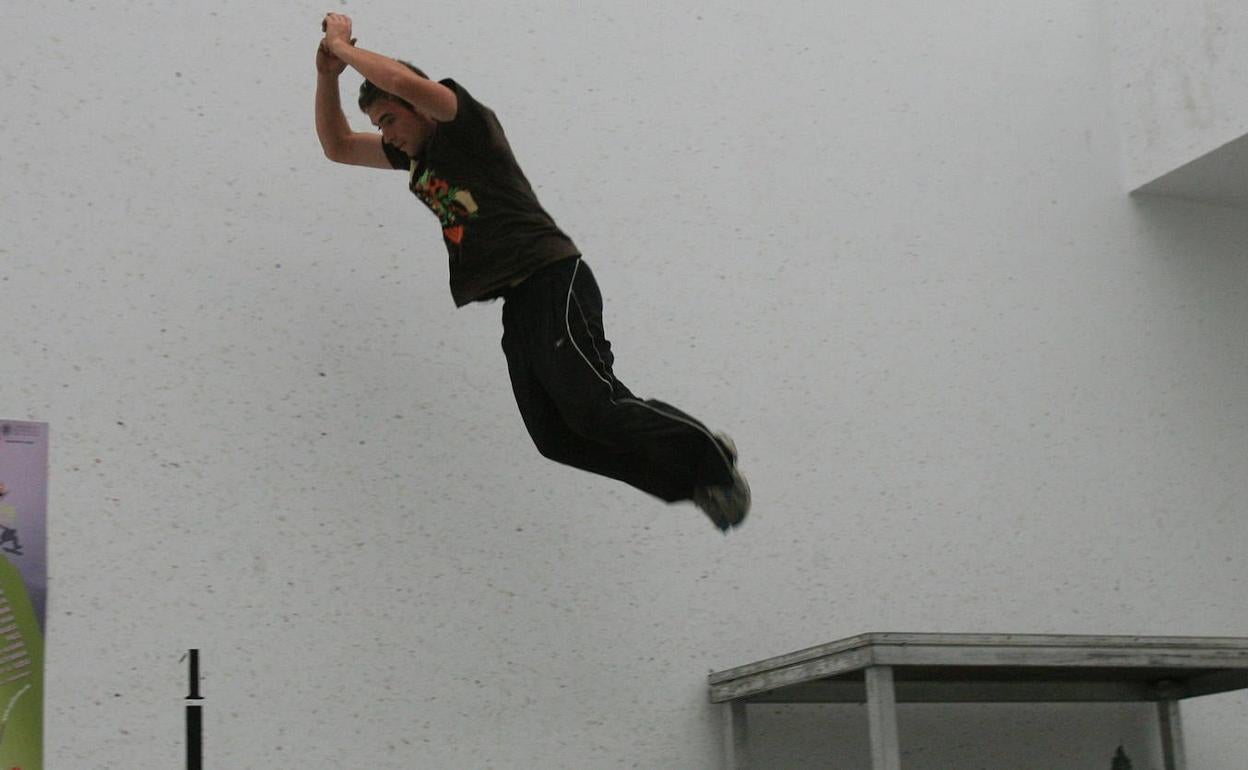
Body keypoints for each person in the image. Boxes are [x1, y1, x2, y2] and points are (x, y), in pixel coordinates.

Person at [314, 13, 750, 531]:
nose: (386, 134)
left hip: (552, 277)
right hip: (518, 304)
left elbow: (405, 82)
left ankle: (708, 454)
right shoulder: (416, 161)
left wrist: (341, 45)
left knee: (594, 405)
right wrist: (326, 74)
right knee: (556, 437)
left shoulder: (461, 122)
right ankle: (690, 484)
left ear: (417, 110)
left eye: (388, 120)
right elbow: (337, 146)